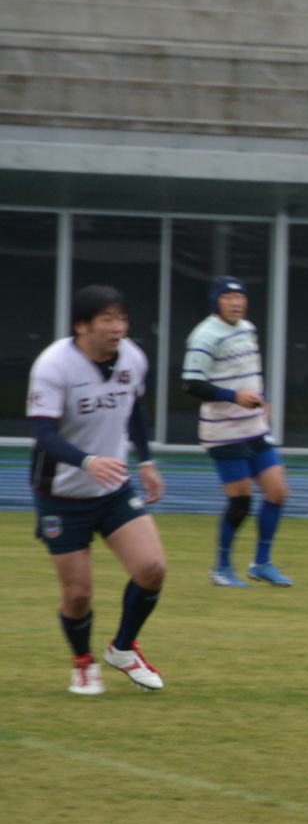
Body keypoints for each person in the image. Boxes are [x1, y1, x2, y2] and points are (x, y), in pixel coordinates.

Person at [29, 285, 168, 695]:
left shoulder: (133, 357)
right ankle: (83, 663)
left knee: (152, 569)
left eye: (121, 318)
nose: (118, 327)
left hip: (112, 489)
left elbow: (134, 408)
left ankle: (122, 649)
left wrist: (146, 461)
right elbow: (43, 435)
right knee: (78, 594)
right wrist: (88, 461)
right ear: (82, 326)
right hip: (61, 496)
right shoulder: (54, 365)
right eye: (107, 319)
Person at [181, 275, 291, 588]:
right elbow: (191, 384)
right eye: (228, 297)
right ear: (216, 301)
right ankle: (221, 568)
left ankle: (261, 564)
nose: (236, 303)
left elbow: (249, 371)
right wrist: (234, 397)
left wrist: (263, 397)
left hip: (253, 426)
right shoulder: (204, 335)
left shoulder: (248, 329)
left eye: (240, 297)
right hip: (223, 430)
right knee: (241, 501)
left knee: (278, 492)